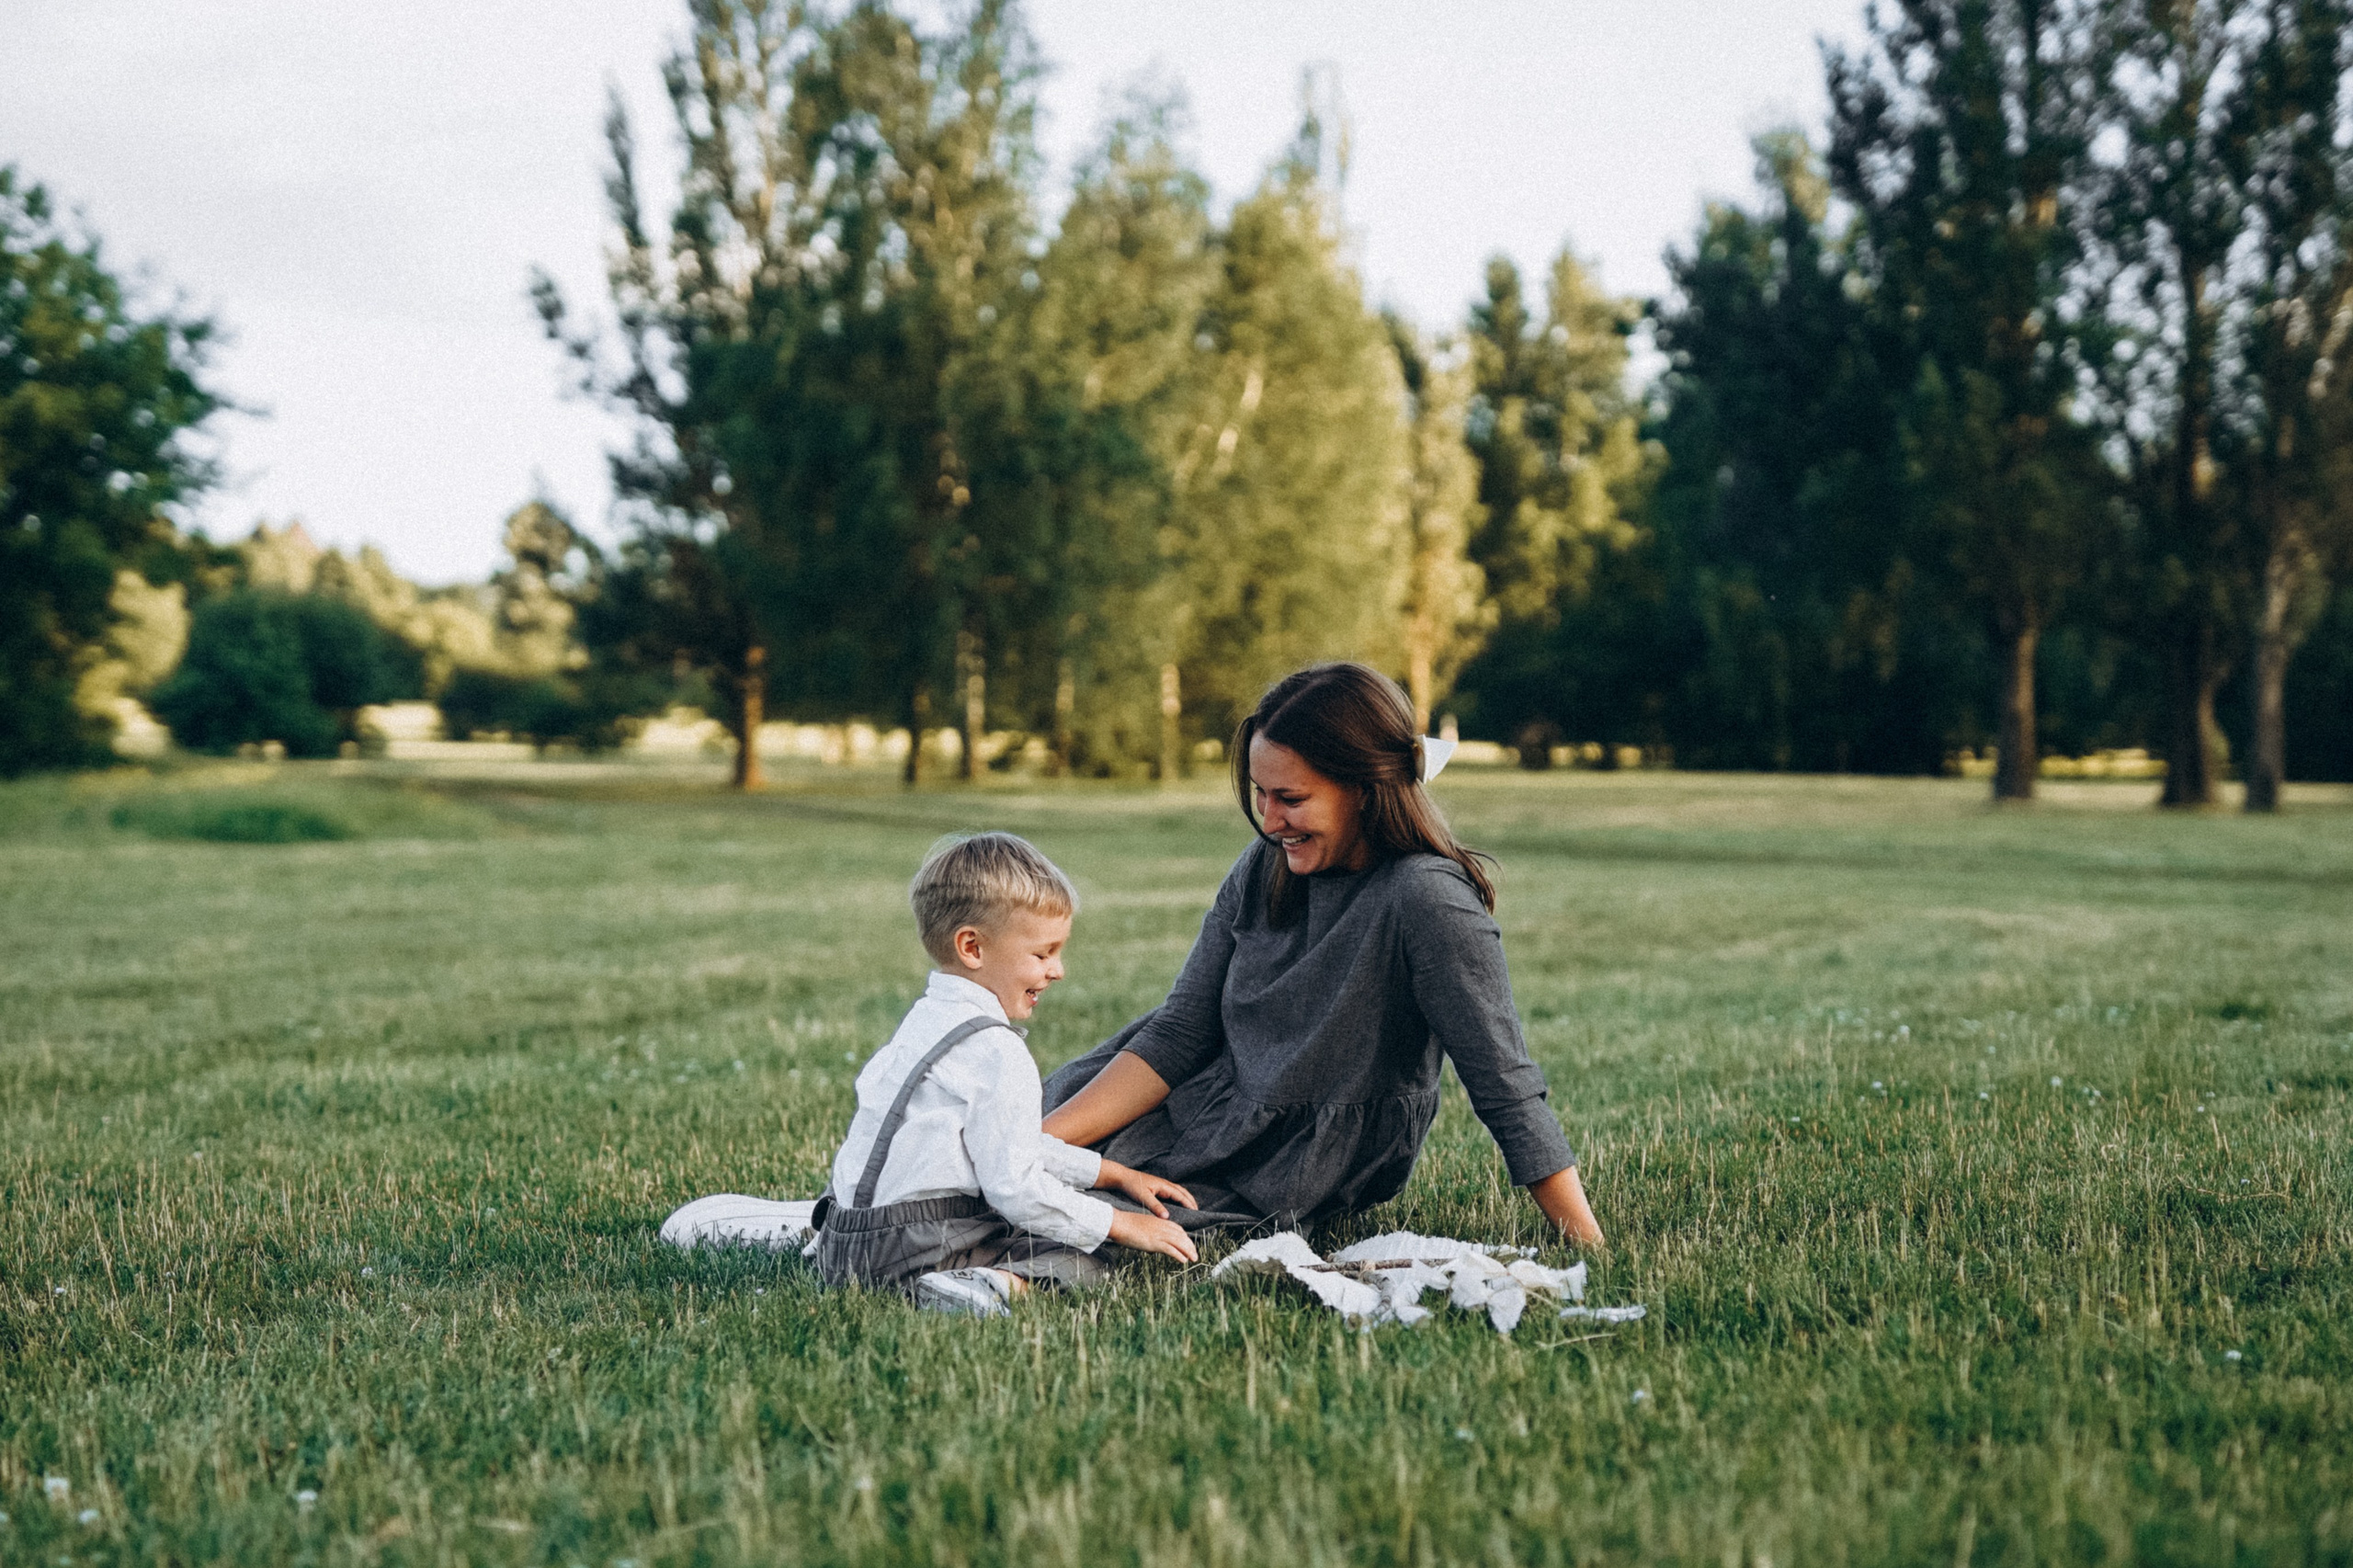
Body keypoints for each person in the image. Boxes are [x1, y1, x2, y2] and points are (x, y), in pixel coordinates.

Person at [1041, 664, 1606, 1246]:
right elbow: (1179, 1033)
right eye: (1261, 794)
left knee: (1083, 1227)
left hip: (1277, 1164)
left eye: (1290, 798)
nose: (1269, 821)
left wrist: (1587, 1242)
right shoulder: (1265, 866)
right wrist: (1038, 1142)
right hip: (1182, 1103)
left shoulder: (1426, 899)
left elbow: (1503, 1083)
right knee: (996, 1173)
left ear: (1363, 789)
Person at [809, 832, 1199, 1316]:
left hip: (841, 1241)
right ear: (972, 947)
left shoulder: (924, 1022)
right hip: (916, 1248)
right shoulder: (997, 1051)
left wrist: (1112, 1173)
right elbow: (1016, 1188)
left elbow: (1009, 1143)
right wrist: (1118, 1223)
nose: (1058, 970)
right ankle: (984, 1284)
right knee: (1084, 1255)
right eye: (1042, 954)